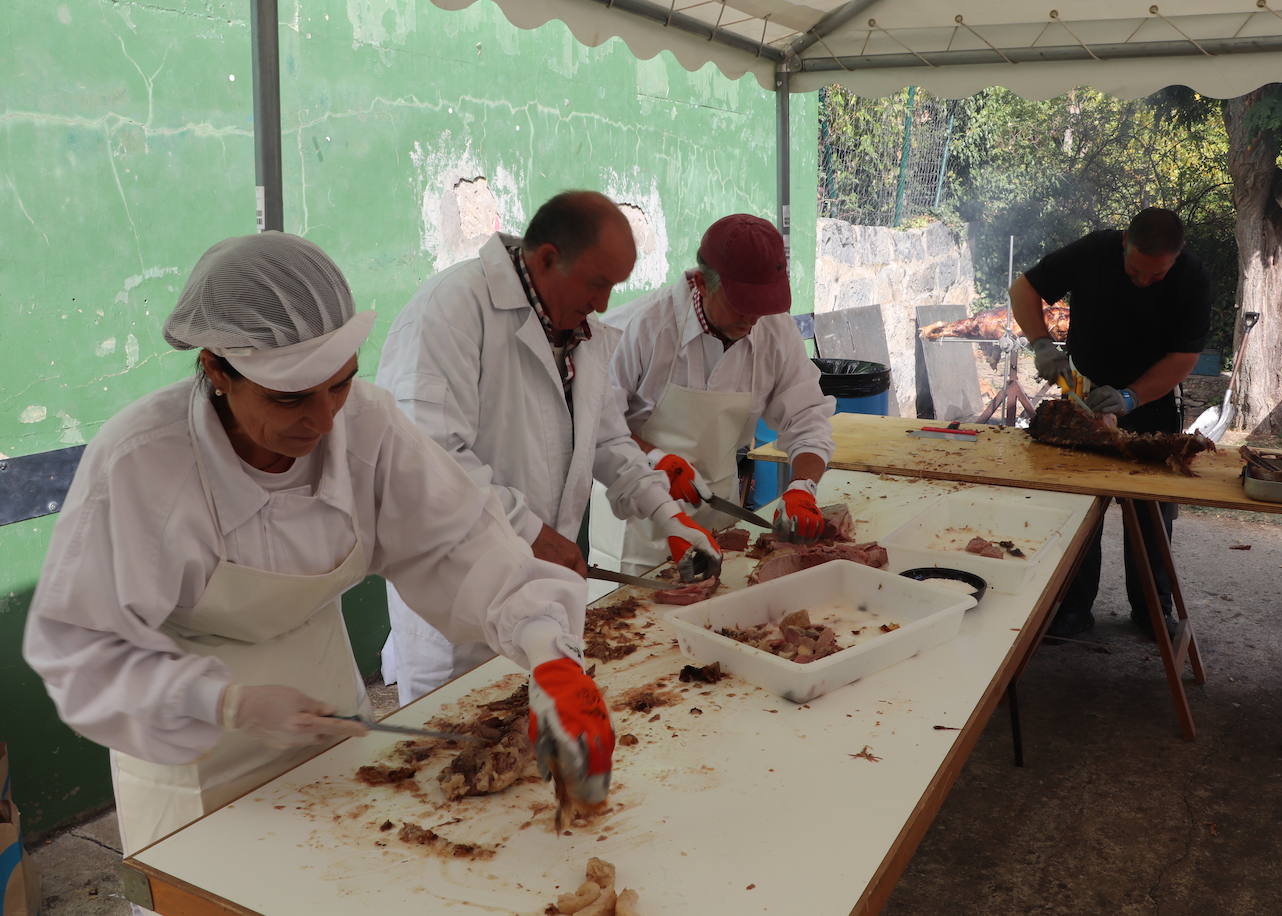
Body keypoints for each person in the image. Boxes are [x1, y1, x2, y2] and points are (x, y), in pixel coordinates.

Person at [22, 232, 613, 853]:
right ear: (216, 369)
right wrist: (223, 702)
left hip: (329, 727)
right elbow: (80, 646)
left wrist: (546, 647)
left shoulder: (368, 426)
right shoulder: (140, 462)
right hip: (192, 757)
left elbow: (463, 541)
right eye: (289, 397)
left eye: (340, 385)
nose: (323, 420)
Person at [375, 190, 720, 704]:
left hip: (543, 601)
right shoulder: (451, 310)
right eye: (598, 283)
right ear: (547, 258)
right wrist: (532, 532)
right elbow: (428, 457)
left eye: (615, 287)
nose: (604, 303)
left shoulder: (583, 333)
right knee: (455, 757)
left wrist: (665, 512)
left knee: (542, 747)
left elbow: (605, 440)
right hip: (458, 611)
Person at [595, 213, 835, 574]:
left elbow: (806, 416)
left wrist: (803, 487)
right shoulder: (638, 328)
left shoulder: (773, 330)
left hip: (718, 514)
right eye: (741, 304)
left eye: (762, 305)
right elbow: (597, 426)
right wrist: (654, 458)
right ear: (701, 284)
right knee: (635, 626)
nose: (752, 318)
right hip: (636, 518)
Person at [1010, 207, 1211, 639]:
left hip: (1151, 403)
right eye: (1136, 270)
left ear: (1175, 259)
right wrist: (1041, 343)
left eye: (1156, 277)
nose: (1143, 281)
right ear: (1124, 243)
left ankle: (1153, 611)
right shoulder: (1094, 250)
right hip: (1084, 393)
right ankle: (1073, 610)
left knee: (1152, 513)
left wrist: (1132, 396)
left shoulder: (1192, 277)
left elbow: (1185, 356)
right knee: (1080, 507)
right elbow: (1023, 289)